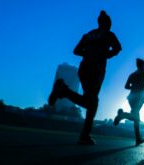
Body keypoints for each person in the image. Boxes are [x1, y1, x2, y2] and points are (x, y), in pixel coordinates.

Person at [48, 10, 122, 145]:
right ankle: (65, 92)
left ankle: (84, 134)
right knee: (92, 102)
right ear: (107, 23)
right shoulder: (109, 34)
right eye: (110, 23)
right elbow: (118, 48)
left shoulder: (88, 35)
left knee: (91, 101)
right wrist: (106, 54)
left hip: (84, 68)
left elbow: (76, 51)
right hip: (97, 68)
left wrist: (88, 53)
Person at [114, 58, 144, 146]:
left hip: (131, 97)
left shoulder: (132, 75)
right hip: (139, 98)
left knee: (136, 118)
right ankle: (122, 115)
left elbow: (126, 86)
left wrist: (134, 87)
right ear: (143, 66)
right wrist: (142, 88)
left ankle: (138, 139)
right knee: (136, 117)